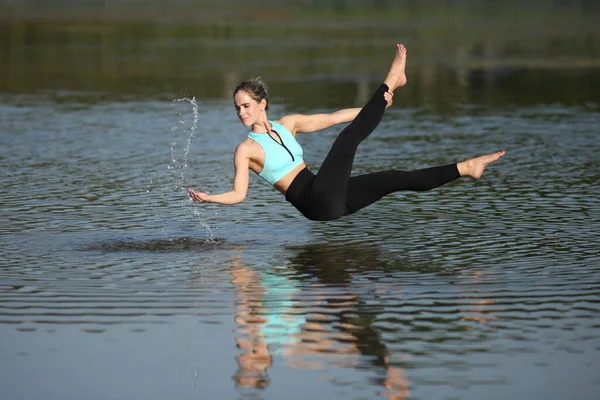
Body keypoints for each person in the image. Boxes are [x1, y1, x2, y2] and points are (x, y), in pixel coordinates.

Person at [188, 44, 505, 221]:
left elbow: (334, 116)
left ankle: (465, 168)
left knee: (394, 178)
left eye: (245, 106)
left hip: (331, 198)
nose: (241, 113)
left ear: (262, 105)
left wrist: (376, 109)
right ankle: (392, 80)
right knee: (347, 141)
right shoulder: (246, 149)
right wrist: (209, 198)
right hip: (313, 200)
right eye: (237, 108)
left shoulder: (289, 124)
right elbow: (239, 194)